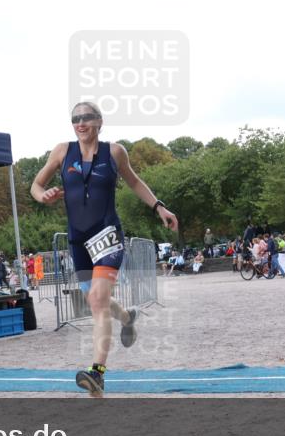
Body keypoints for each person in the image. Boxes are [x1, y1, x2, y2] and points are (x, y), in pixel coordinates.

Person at [31, 101, 178, 396]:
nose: (80, 123)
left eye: (86, 117)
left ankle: (97, 374)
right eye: (75, 118)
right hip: (78, 240)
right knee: (96, 301)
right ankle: (126, 317)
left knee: (98, 299)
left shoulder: (115, 152)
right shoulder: (62, 151)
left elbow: (134, 181)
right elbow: (35, 185)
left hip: (107, 235)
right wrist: (42, 195)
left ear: (99, 121)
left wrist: (159, 207)